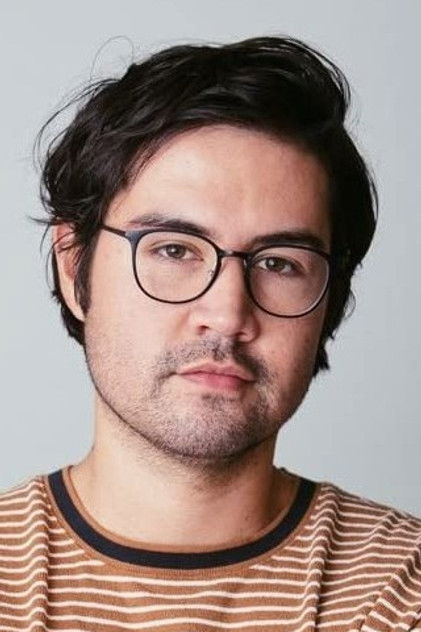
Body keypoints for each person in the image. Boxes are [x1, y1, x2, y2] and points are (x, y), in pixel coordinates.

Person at [1, 35, 420, 631]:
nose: (227, 314)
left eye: (279, 263)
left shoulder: (402, 587)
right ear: (74, 267)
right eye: (174, 249)